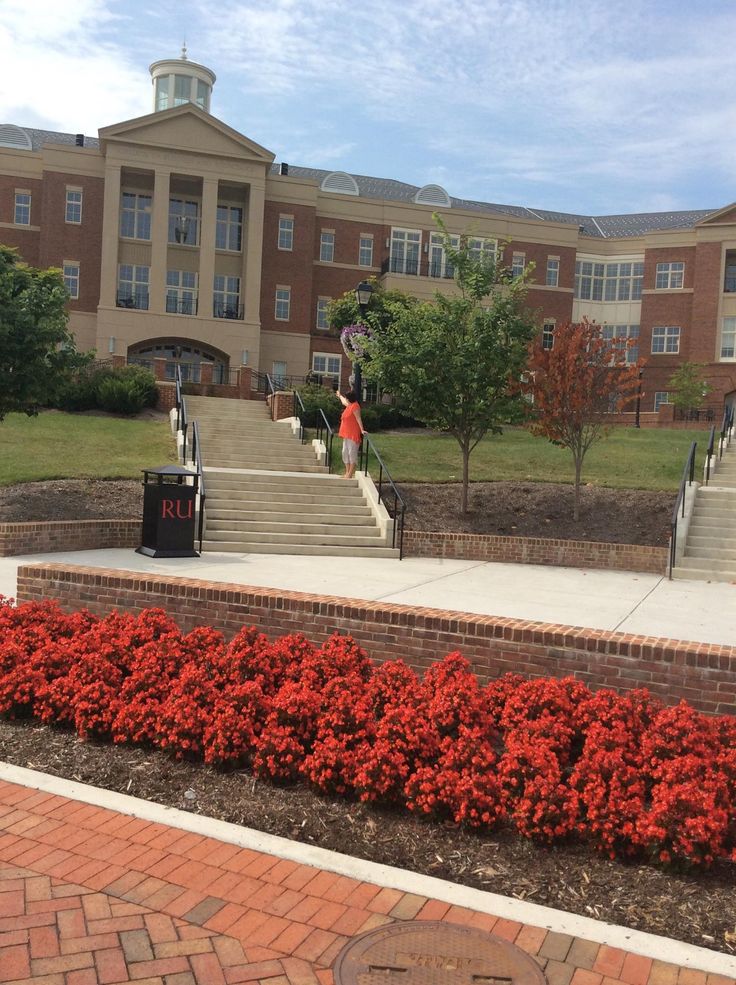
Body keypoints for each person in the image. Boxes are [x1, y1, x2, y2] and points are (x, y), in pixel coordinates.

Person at [336, 389, 366, 479]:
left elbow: (358, 418)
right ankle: (347, 472)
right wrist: (339, 395)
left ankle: (350, 474)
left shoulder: (355, 406)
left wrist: (362, 430)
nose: (346, 399)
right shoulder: (349, 405)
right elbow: (343, 402)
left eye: (346, 397)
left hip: (353, 434)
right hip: (346, 434)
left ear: (349, 398)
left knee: (351, 453)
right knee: (345, 452)